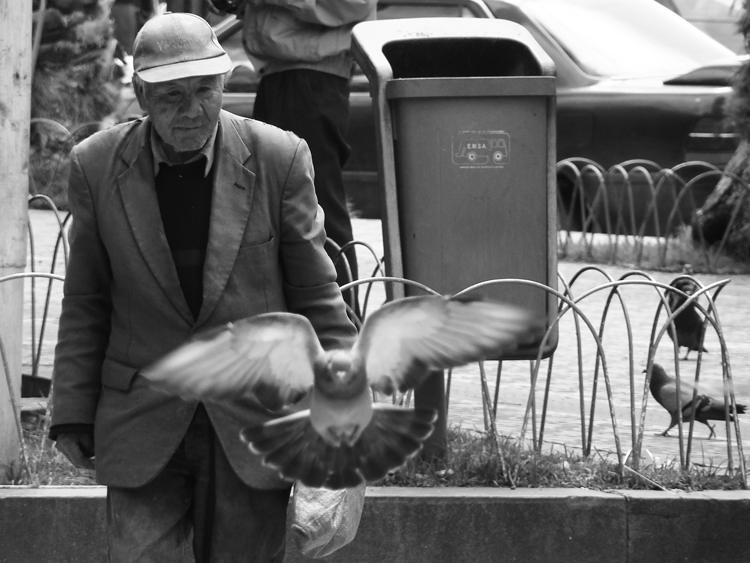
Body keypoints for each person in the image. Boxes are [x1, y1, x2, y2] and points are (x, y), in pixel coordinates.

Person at [48, 12, 357, 563]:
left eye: (204, 91)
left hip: (253, 423)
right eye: (170, 96)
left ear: (224, 85)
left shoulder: (279, 158)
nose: (192, 111)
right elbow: (87, 300)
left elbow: (319, 303)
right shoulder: (95, 166)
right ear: (141, 94)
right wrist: (72, 410)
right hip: (143, 417)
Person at [208, 0, 378, 318]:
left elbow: (353, 5)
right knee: (272, 209)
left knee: (314, 207)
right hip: (281, 73)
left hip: (312, 77)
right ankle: (298, 324)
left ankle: (341, 327)